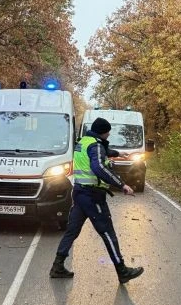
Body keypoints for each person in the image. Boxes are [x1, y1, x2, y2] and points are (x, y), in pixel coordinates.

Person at [50, 117, 144, 283]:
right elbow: (98, 167)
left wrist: (118, 153)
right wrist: (121, 184)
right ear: (103, 132)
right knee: (108, 232)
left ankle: (57, 266)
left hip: (79, 193)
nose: (108, 135)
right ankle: (122, 271)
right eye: (108, 132)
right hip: (93, 197)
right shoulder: (96, 145)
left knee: (72, 231)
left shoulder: (84, 141)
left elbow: (100, 151)